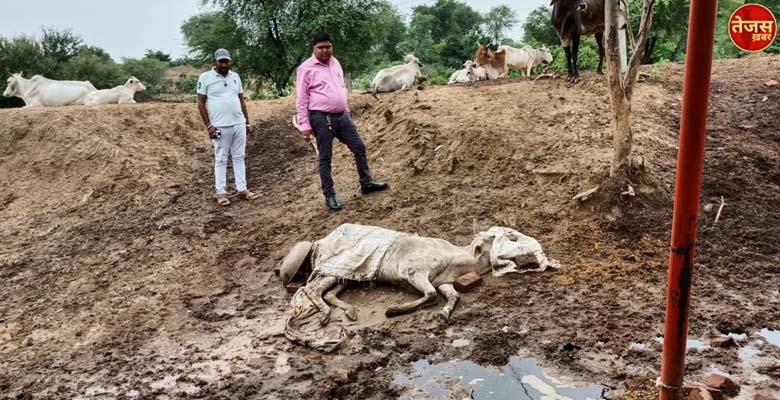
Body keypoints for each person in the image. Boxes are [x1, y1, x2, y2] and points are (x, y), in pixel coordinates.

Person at [295, 32, 388, 211]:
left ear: (332, 47)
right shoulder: (306, 69)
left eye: (328, 47)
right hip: (321, 118)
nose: (325, 50)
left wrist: (345, 109)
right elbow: (301, 99)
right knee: (325, 157)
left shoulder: (335, 62)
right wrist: (305, 125)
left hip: (342, 116)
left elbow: (340, 87)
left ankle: (366, 183)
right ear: (313, 48)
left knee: (359, 146)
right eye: (320, 47)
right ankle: (329, 195)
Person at [197, 48, 258, 206]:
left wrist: (247, 122)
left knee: (239, 156)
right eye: (221, 61)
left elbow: (241, 100)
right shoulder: (205, 78)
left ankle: (242, 189)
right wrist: (209, 126)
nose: (224, 64)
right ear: (215, 61)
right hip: (220, 126)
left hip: (238, 123)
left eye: (227, 61)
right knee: (221, 158)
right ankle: (221, 192)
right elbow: (201, 103)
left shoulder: (235, 77)